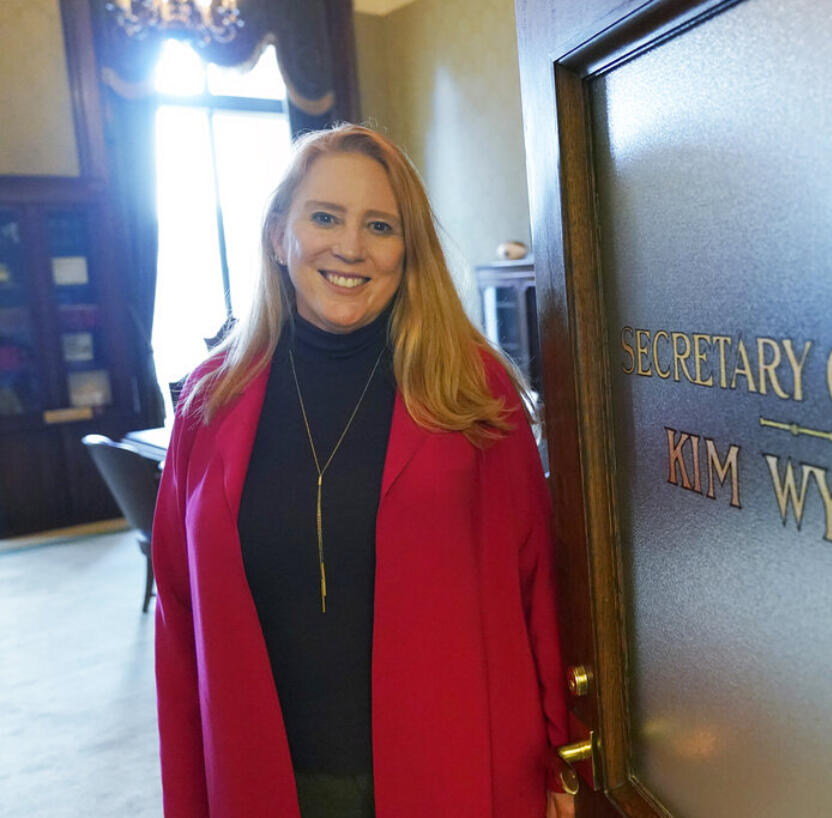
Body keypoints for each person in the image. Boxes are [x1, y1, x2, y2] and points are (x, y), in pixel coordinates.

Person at [152, 123, 575, 818]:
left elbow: (538, 584)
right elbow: (179, 620)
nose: (350, 248)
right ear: (278, 234)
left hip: (456, 767)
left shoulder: (472, 391)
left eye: (380, 225)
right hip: (264, 774)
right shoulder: (208, 403)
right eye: (325, 217)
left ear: (408, 252)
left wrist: (562, 748)